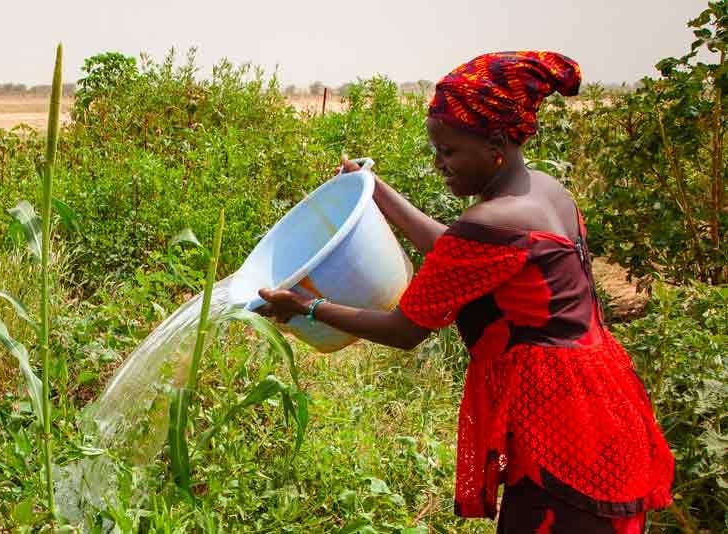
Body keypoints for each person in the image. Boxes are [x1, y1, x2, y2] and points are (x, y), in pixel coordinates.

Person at [256, 52, 673, 533]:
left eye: (449, 152)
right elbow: (460, 254)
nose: (439, 165)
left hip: (560, 425)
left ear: (495, 143)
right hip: (602, 397)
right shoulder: (544, 192)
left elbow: (405, 330)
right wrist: (371, 188)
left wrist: (309, 307)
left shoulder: (490, 224)